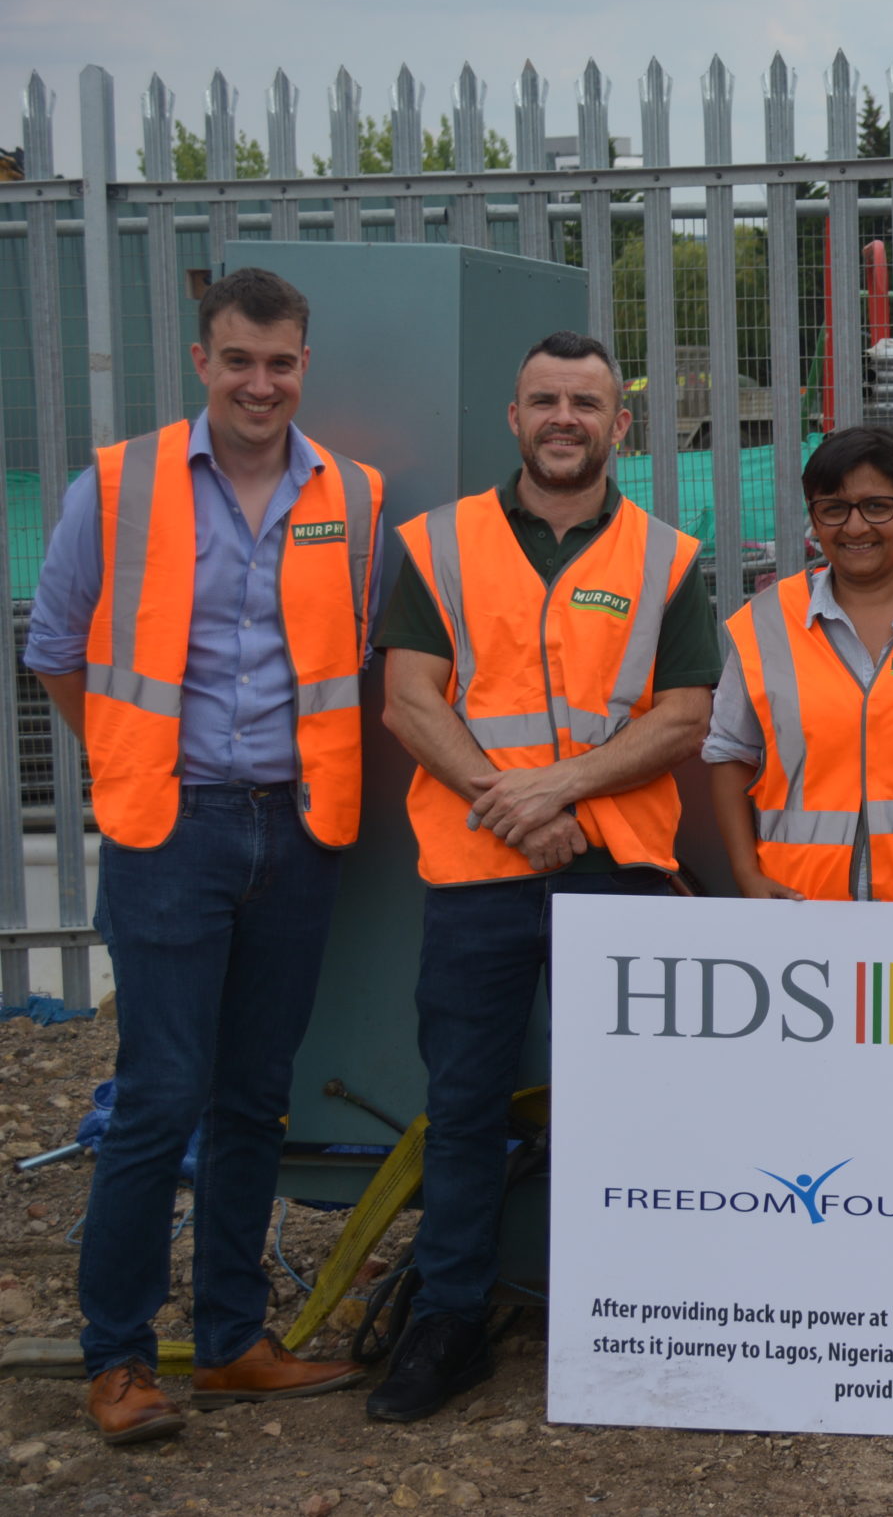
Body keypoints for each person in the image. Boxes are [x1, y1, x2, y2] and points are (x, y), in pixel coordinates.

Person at [24, 267, 376, 1442]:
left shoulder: (354, 498)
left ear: (303, 367)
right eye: (238, 360)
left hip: (301, 821)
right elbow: (58, 648)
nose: (259, 384)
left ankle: (231, 1342)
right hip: (172, 824)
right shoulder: (118, 486)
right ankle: (118, 1359)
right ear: (201, 362)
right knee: (160, 1094)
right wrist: (134, 766)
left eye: (279, 363)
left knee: (252, 1098)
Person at [371, 331, 717, 1423]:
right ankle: (450, 1323)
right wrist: (516, 810)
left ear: (622, 425)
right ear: (513, 419)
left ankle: (638, 1322)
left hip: (617, 872)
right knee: (465, 1104)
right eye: (543, 401)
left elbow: (685, 717)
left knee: (633, 1112)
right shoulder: (437, 545)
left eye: (586, 402)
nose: (564, 418)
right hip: (477, 875)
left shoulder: (669, 556)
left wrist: (554, 791)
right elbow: (410, 700)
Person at [704, 424, 893, 908]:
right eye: (833, 509)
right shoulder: (765, 623)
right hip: (799, 905)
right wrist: (745, 871)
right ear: (814, 520)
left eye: (877, 507)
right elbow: (729, 752)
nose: (855, 527)